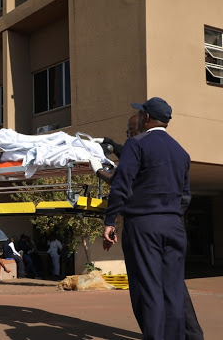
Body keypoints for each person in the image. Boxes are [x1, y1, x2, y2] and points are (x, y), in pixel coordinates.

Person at [89, 111, 204, 340]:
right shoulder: (180, 151)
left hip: (144, 226)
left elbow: (122, 182)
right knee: (173, 290)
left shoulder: (136, 145)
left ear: (146, 118)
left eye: (130, 129)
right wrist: (169, 215)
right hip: (173, 225)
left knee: (148, 289)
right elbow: (184, 194)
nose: (130, 133)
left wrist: (109, 221)